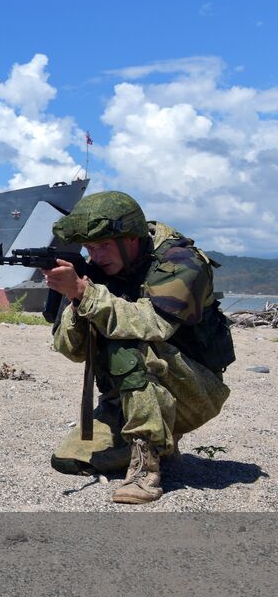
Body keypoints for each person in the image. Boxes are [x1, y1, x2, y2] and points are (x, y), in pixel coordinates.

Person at [43, 191, 234, 504]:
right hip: (127, 396)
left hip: (194, 389)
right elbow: (72, 350)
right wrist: (77, 300)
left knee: (129, 339)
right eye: (90, 247)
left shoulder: (181, 262)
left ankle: (146, 469)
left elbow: (154, 324)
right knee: (70, 459)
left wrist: (85, 293)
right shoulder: (98, 271)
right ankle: (161, 438)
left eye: (104, 245)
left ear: (131, 237)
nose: (96, 255)